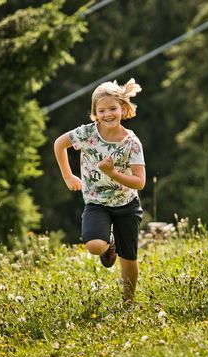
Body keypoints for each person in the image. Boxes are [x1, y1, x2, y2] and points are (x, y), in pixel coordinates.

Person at [53, 78, 145, 302]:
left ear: (123, 109)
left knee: (129, 260)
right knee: (95, 246)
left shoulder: (132, 143)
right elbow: (59, 144)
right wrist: (68, 175)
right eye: (101, 110)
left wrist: (113, 173)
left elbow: (139, 182)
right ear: (94, 113)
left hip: (126, 205)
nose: (108, 114)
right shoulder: (87, 134)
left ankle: (128, 302)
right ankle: (108, 243)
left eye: (113, 108)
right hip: (96, 202)